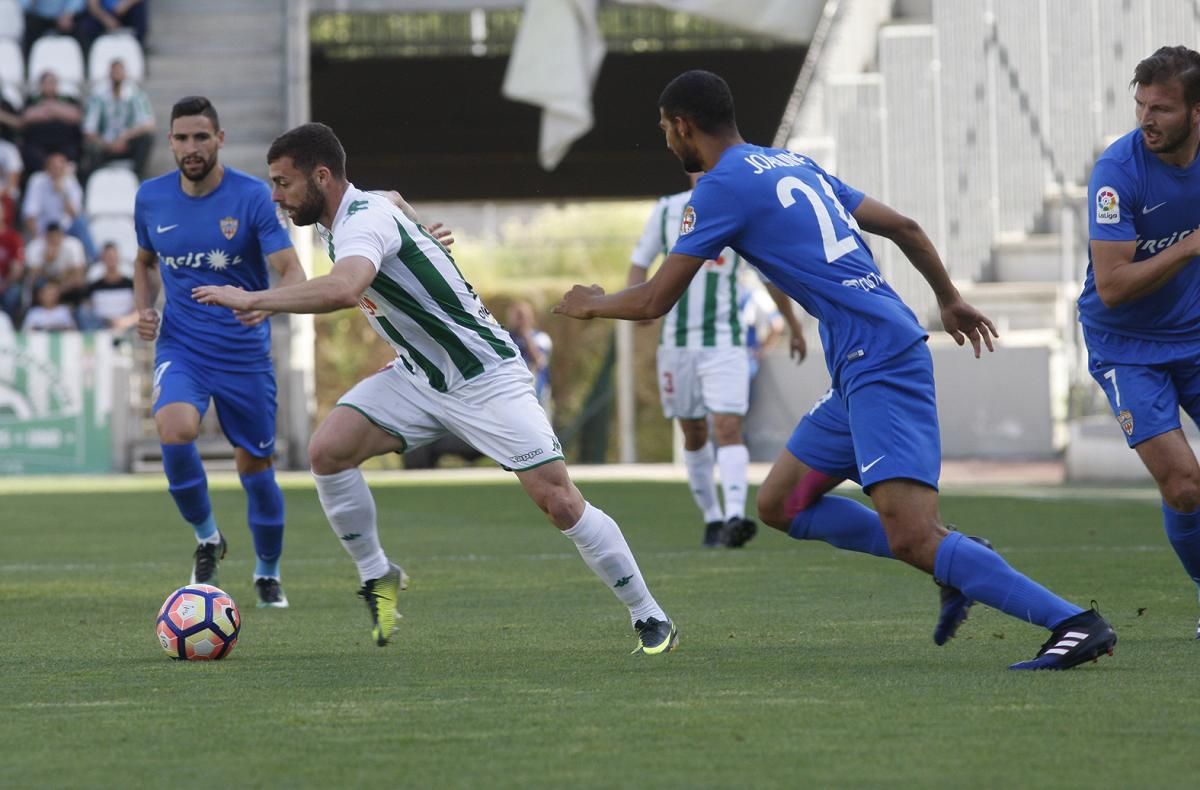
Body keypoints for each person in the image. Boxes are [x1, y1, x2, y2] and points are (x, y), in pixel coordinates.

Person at [555, 69, 1117, 670]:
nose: (668, 143)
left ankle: (1072, 621)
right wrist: (947, 298)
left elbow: (653, 301)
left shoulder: (719, 188)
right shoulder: (791, 164)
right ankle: (952, 553)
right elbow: (905, 227)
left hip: (880, 363)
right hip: (860, 367)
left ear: (684, 125)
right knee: (781, 505)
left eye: (666, 131)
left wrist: (591, 304)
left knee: (911, 535)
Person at [192, 122, 678, 655]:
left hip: (486, 377)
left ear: (322, 177)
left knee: (559, 501)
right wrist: (421, 233)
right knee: (327, 452)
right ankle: (378, 574)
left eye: (284, 183)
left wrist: (251, 299)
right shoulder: (357, 212)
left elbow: (344, 288)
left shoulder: (364, 219)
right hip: (420, 376)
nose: (276, 197)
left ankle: (648, 615)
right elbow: (395, 199)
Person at [133, 96, 306, 609]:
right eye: (182, 138)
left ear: (220, 139)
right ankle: (208, 536)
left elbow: (292, 273)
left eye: (201, 137)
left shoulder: (253, 198)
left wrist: (266, 305)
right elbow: (143, 264)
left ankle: (268, 573)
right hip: (181, 345)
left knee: (255, 466)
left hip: (243, 355)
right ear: (170, 142)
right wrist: (145, 309)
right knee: (174, 427)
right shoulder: (151, 198)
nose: (191, 148)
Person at [1079, 45, 1200, 639]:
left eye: (1163, 108)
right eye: (1141, 105)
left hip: (1196, 333)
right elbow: (1113, 286)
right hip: (1126, 345)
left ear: (1197, 113)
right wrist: (1188, 247)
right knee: (1183, 485)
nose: (1147, 119)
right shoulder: (1118, 173)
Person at [629, 178, 805, 548]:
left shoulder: (739, 207)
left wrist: (792, 324)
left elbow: (768, 275)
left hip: (725, 343)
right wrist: (636, 305)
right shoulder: (665, 210)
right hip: (676, 346)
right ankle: (712, 517)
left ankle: (735, 516)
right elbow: (639, 261)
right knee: (693, 431)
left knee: (727, 425)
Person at [81, 58, 155, 180]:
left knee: (147, 138)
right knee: (91, 148)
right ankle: (94, 181)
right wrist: (107, 144)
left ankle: (138, 178)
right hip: (104, 145)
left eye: (120, 71)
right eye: (114, 71)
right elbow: (88, 130)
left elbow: (149, 124)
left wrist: (125, 137)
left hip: (127, 144)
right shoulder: (97, 96)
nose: (117, 75)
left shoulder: (135, 94)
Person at [21, 151, 96, 261]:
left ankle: (95, 259)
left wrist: (62, 193)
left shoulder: (70, 182)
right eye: (53, 167)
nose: (57, 171)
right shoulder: (37, 181)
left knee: (81, 222)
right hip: (45, 231)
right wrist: (40, 238)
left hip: (65, 230)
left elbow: (75, 214)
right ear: (47, 168)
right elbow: (30, 214)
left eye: (60, 167)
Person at [20, 72, 84, 175]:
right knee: (30, 153)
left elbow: (76, 115)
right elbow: (26, 117)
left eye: (52, 83)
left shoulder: (68, 98)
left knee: (73, 151)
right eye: (46, 83)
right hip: (38, 144)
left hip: (64, 143)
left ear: (57, 84)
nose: (49, 86)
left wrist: (49, 107)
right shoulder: (32, 99)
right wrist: (59, 111)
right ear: (40, 85)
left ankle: (62, 173)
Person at [506, 299, 553, 415]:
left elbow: (539, 361)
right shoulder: (504, 338)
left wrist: (526, 335)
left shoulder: (541, 337)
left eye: (522, 315)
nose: (519, 320)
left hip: (537, 392)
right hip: (511, 393)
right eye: (516, 315)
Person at [78, 240, 136, 330]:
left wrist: (126, 321)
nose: (111, 259)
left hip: (127, 326)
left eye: (113, 256)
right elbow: (86, 308)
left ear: (118, 257)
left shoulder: (131, 284)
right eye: (108, 257)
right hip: (100, 327)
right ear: (102, 259)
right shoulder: (93, 286)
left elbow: (140, 310)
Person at [80, 0, 149, 50]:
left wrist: (125, 4)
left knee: (139, 10)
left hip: (127, 10)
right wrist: (106, 19)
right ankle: (90, 54)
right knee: (87, 25)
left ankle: (138, 49)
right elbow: (92, 4)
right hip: (104, 13)